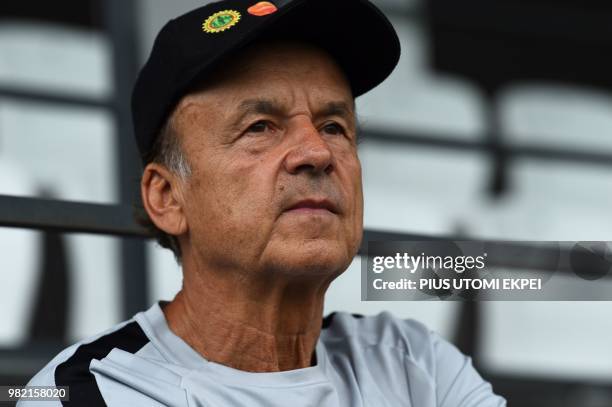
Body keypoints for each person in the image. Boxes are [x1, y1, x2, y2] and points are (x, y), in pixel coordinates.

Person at [22, 0, 506, 405]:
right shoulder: (91, 393)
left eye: (335, 127)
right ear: (167, 197)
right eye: (260, 127)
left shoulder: (413, 362)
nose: (317, 152)